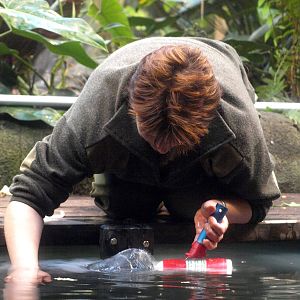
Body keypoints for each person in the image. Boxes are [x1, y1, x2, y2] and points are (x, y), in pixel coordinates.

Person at [4, 36, 280, 283]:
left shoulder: (237, 125)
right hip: (125, 170)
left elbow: (260, 201)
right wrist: (25, 270)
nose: (161, 149)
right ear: (132, 106)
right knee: (126, 208)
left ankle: (190, 179)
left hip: (197, 174)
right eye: (153, 135)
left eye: (174, 142)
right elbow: (30, 193)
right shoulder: (98, 109)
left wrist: (224, 208)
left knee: (189, 208)